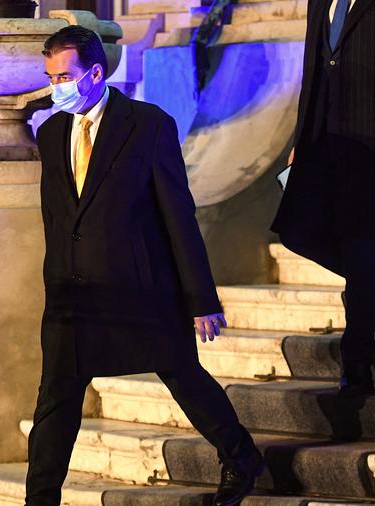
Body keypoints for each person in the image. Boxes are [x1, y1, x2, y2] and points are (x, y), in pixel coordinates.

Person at [25, 26, 262, 506]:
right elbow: (59, 218)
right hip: (74, 298)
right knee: (55, 403)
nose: (56, 88)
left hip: (140, 290)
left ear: (95, 73)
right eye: (50, 78)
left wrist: (200, 299)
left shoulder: (148, 125)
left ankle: (241, 458)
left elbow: (178, 217)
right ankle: (40, 500)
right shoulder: (50, 134)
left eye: (64, 77)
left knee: (183, 376)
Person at [271, 0, 375, 396]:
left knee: (359, 246)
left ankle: (357, 361)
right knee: (296, 232)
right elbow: (314, 70)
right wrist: (301, 138)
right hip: (325, 140)